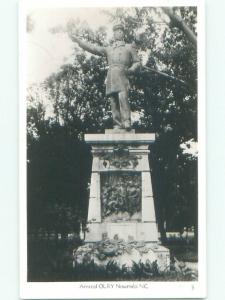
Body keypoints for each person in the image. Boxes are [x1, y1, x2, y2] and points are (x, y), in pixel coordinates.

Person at [69, 24, 141, 130]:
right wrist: (79, 41)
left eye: (120, 31)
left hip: (123, 74)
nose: (118, 33)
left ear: (123, 33)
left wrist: (131, 70)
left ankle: (126, 121)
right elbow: (93, 48)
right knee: (113, 100)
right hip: (111, 75)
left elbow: (137, 62)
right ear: (114, 34)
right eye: (116, 31)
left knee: (123, 98)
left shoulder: (129, 47)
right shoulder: (109, 49)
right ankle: (117, 124)